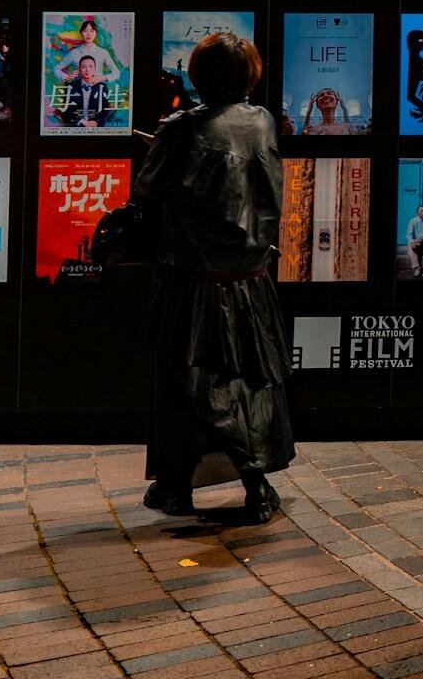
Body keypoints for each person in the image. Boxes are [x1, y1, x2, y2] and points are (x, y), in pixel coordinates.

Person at [138, 32, 292, 525]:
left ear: (198, 75)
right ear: (249, 74)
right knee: (250, 381)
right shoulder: (262, 121)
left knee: (186, 384)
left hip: (193, 280)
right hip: (250, 277)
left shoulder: (182, 129)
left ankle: (176, 488)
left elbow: (148, 191)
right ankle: (257, 486)